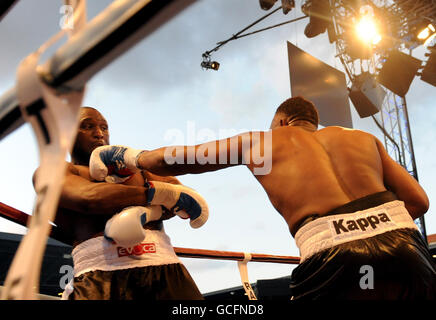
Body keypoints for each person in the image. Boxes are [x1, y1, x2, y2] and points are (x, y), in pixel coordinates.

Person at [90, 96, 436, 300]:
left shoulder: (263, 142)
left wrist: (130, 156)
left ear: (282, 121)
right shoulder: (362, 139)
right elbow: (419, 201)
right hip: (403, 244)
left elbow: (179, 158)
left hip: (332, 252)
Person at [33, 106, 205, 300]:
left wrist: (151, 210)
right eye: (87, 126)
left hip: (165, 269)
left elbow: (183, 195)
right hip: (97, 278)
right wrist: (158, 195)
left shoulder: (136, 169)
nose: (99, 133)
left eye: (104, 128)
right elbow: (90, 198)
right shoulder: (55, 171)